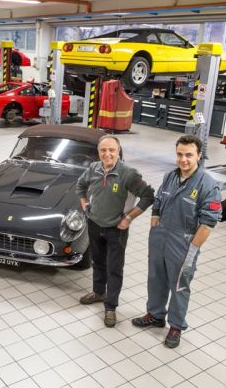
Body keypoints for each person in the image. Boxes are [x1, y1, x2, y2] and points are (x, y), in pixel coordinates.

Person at [132, 135, 222, 348]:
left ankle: (176, 326)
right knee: (156, 278)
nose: (183, 159)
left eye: (189, 155)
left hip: (183, 243)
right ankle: (155, 315)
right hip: (160, 238)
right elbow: (159, 201)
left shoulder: (208, 185)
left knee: (180, 285)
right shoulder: (170, 176)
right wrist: (155, 221)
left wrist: (192, 251)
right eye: (180, 154)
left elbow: (208, 223)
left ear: (199, 156)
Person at [75, 135, 154, 328]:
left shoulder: (128, 173)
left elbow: (148, 196)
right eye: (103, 150)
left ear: (118, 152)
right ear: (98, 152)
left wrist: (129, 218)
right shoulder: (93, 168)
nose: (107, 154)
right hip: (94, 224)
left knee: (114, 268)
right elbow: (80, 186)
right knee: (98, 262)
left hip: (116, 230)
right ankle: (98, 292)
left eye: (111, 150)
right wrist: (85, 205)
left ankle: (110, 307)